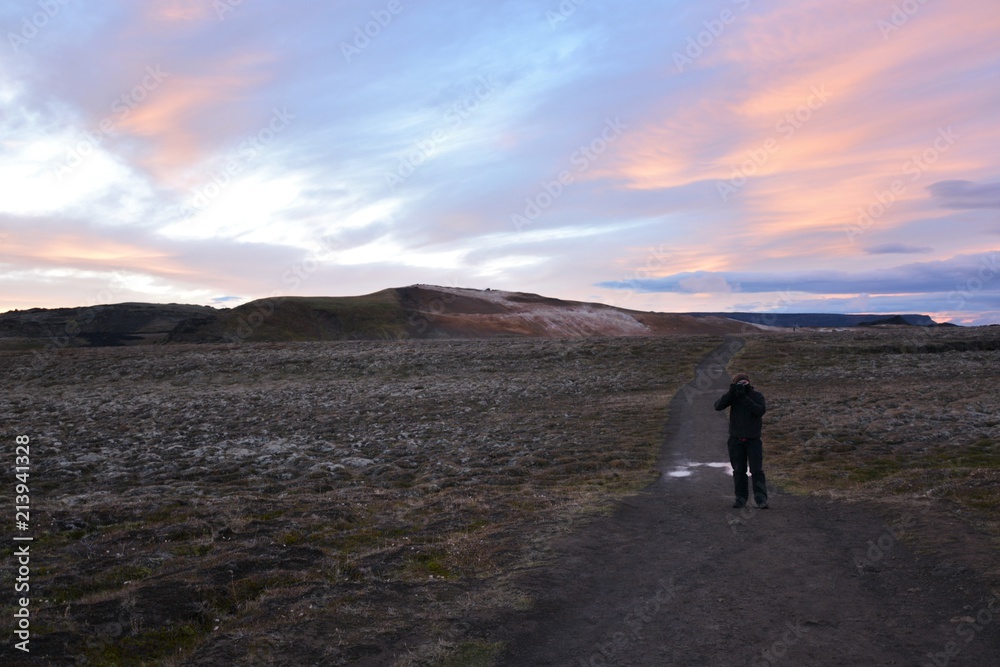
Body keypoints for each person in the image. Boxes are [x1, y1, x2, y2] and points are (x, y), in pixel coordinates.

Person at [714, 372, 768, 509]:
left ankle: (761, 500)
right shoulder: (733, 397)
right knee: (739, 471)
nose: (742, 386)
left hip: (753, 440)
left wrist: (745, 398)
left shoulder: (757, 396)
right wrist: (731, 393)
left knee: (756, 471)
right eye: (739, 383)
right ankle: (741, 499)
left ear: (749, 383)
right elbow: (718, 406)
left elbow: (760, 410)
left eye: (745, 383)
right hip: (736, 440)